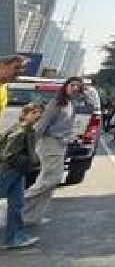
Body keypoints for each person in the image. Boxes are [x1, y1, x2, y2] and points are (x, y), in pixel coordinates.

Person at [24, 76, 79, 226]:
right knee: (50, 180)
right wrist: (29, 145)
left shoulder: (71, 104)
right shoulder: (56, 103)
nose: (75, 88)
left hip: (61, 144)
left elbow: (67, 126)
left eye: (78, 86)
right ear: (65, 86)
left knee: (51, 181)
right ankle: (20, 203)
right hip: (50, 143)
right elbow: (42, 125)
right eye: (72, 84)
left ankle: (32, 217)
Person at [1, 102, 43, 249]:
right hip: (9, 170)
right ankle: (14, 237)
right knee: (15, 204)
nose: (37, 116)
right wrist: (27, 161)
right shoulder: (20, 131)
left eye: (39, 113)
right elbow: (8, 154)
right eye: (34, 113)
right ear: (25, 114)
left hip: (17, 171)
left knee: (17, 204)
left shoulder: (27, 129)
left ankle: (15, 237)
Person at [0, 55, 24, 119]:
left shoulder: (3, 87)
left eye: (22, 68)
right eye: (17, 67)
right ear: (2, 66)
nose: (19, 72)